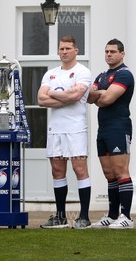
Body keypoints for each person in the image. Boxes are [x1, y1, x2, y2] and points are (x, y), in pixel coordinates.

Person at [38, 36, 92, 229]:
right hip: (55, 129)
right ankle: (61, 216)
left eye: (68, 48)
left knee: (79, 170)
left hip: (75, 128)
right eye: (61, 48)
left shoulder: (82, 72)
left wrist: (53, 94)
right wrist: (64, 96)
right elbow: (41, 100)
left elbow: (77, 95)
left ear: (76, 50)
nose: (64, 51)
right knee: (57, 171)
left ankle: (84, 216)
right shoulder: (50, 74)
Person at [87, 39, 135, 229]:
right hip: (103, 129)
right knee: (109, 173)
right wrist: (98, 95)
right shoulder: (102, 75)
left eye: (113, 51)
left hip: (119, 126)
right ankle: (113, 215)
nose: (109, 55)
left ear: (122, 54)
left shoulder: (125, 74)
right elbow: (89, 98)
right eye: (106, 51)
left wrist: (99, 94)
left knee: (120, 171)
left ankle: (127, 217)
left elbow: (106, 99)